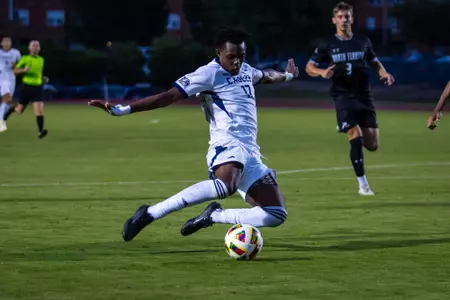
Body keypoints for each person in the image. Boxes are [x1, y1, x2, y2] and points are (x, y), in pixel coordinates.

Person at [88, 26, 299, 241]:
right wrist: (124, 110)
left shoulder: (245, 70)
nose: (237, 61)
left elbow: (266, 76)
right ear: (218, 52)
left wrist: (288, 75)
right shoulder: (208, 74)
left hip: (250, 151)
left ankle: (214, 216)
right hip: (227, 143)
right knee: (225, 187)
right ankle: (149, 214)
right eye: (231, 57)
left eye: (241, 56)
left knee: (275, 214)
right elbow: (168, 97)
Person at [305, 1, 395, 196]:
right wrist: (321, 72)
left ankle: (346, 125)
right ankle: (363, 185)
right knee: (355, 135)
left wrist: (384, 73)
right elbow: (309, 67)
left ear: (352, 19)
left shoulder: (363, 41)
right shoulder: (327, 44)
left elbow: (374, 62)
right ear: (334, 20)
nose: (344, 20)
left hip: (364, 97)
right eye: (340, 16)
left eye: (347, 16)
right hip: (342, 97)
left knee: (372, 145)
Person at [4, 40, 49, 138]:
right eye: (33, 46)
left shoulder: (41, 59)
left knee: (39, 111)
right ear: (29, 48)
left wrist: (43, 78)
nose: (35, 47)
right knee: (19, 110)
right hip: (26, 88)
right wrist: (23, 70)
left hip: (38, 88)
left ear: (39, 48)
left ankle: (40, 132)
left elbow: (38, 73)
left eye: (37, 46)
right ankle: (6, 114)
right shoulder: (24, 58)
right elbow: (14, 71)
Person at [0, 36, 21, 132]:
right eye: (5, 41)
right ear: (2, 44)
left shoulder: (16, 53)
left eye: (9, 41)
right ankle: (1, 122)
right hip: (2, 77)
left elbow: (19, 65)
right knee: (7, 98)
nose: (7, 43)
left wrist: (15, 66)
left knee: (6, 104)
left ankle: (1, 121)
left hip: (12, 78)